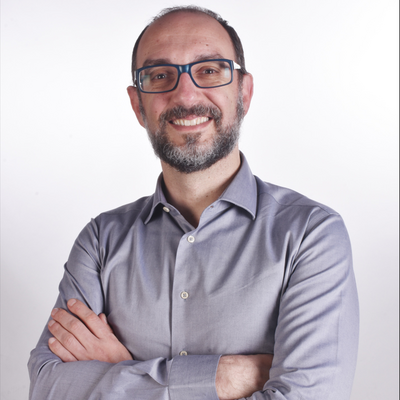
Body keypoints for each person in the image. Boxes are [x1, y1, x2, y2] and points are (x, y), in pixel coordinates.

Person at [28, 6, 359, 400]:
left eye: (210, 70)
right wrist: (220, 378)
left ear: (244, 92)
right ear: (138, 105)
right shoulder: (100, 241)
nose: (185, 95)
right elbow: (47, 387)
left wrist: (122, 374)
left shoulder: (311, 236)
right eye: (160, 75)